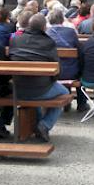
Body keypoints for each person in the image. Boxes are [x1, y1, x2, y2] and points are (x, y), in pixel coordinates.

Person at [9, 14, 68, 142]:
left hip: (16, 89)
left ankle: (38, 125)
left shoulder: (15, 40)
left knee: (36, 87)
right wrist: (52, 81)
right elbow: (56, 69)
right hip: (40, 90)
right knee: (65, 93)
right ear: (44, 27)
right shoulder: (48, 42)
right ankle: (44, 125)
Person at [46, 8, 84, 108]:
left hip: (52, 73)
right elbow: (80, 51)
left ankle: (66, 102)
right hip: (72, 72)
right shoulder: (71, 32)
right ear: (62, 20)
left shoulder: (46, 34)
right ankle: (82, 104)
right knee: (79, 71)